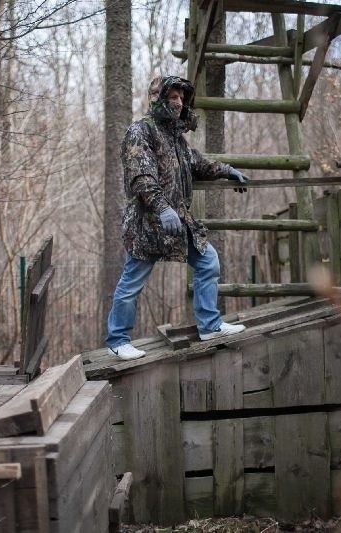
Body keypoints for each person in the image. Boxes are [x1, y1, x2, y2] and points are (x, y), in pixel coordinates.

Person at [106, 75, 250, 360]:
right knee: (132, 282)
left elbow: (198, 163)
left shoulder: (176, 139)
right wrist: (161, 207)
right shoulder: (140, 131)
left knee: (208, 261)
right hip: (147, 224)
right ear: (157, 98)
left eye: (181, 98)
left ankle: (210, 326)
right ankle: (118, 340)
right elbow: (141, 176)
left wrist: (226, 169)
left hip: (178, 221)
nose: (179, 103)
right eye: (173, 97)